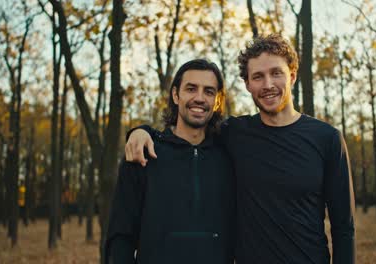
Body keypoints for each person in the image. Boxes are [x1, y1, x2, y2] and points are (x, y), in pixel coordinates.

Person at [126, 34, 355, 264]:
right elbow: (184, 131)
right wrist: (141, 131)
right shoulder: (234, 134)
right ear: (247, 84)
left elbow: (344, 228)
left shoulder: (327, 139)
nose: (268, 85)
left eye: (276, 73)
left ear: (292, 76)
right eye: (258, 76)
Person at [105, 59, 236, 264]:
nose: (199, 98)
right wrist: (141, 131)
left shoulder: (230, 156)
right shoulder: (144, 153)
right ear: (176, 95)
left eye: (209, 91)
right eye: (191, 89)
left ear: (217, 100)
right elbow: (120, 236)